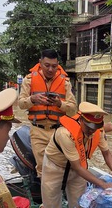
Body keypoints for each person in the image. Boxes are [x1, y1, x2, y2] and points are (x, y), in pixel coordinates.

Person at [40, 102, 112, 208]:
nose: (92, 131)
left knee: (80, 204)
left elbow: (106, 153)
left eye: (95, 127)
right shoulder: (65, 133)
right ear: (81, 120)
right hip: (55, 166)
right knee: (52, 206)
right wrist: (103, 184)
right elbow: (78, 167)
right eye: (89, 127)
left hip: (78, 170)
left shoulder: (97, 131)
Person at [17, 49, 78, 177]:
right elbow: (21, 104)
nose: (51, 69)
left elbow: (73, 109)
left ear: (58, 65)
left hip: (58, 131)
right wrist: (32, 99)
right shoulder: (29, 80)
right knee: (42, 169)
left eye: (54, 66)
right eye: (47, 65)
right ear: (40, 63)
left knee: (61, 166)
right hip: (37, 130)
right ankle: (45, 194)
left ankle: (60, 193)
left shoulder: (65, 82)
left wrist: (59, 104)